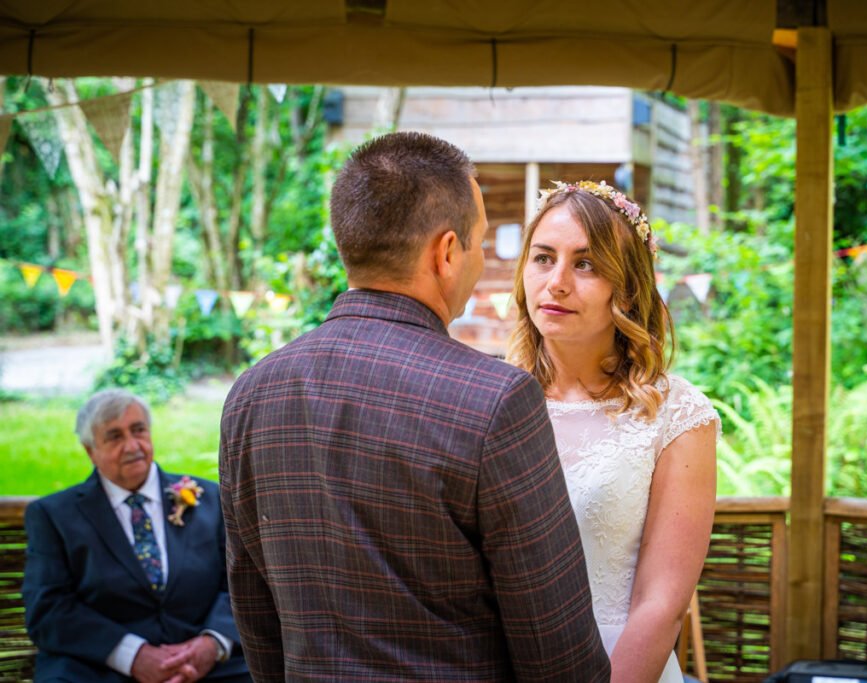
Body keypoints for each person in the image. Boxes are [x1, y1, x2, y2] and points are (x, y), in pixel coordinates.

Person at [219, 132, 609, 681]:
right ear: (446, 253)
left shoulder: (252, 393)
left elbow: (255, 612)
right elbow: (558, 654)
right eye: (476, 242)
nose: (476, 258)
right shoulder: (495, 401)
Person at [508, 180, 719, 682]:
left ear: (626, 287)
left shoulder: (677, 413)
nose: (556, 282)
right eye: (543, 258)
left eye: (585, 264)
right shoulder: (491, 399)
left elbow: (662, 603)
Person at [22, 389, 249, 683]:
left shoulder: (209, 499)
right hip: (100, 667)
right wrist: (133, 655)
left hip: (208, 666)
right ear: (90, 450)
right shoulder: (54, 516)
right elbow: (48, 608)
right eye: (114, 436)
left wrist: (210, 645)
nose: (132, 445)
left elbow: (241, 582)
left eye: (139, 430)